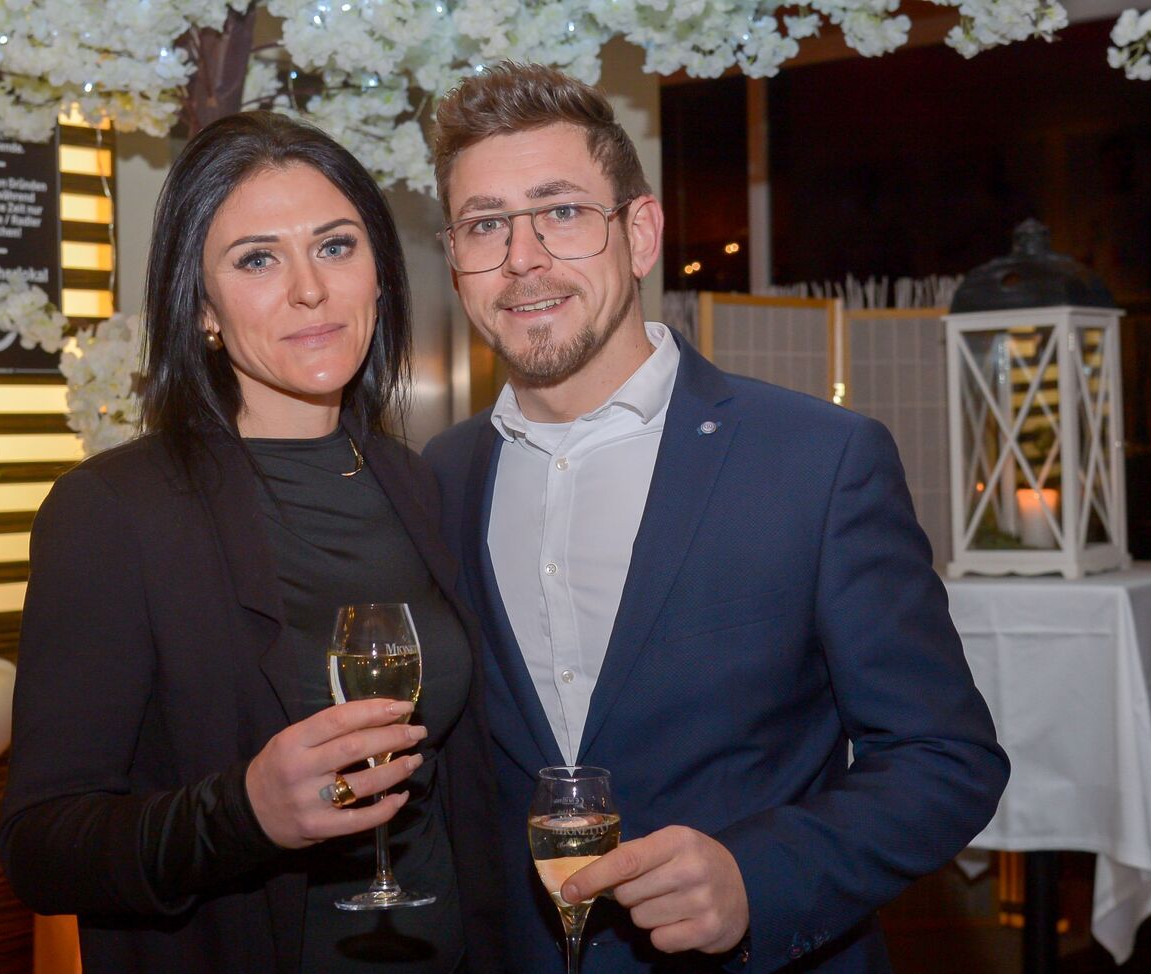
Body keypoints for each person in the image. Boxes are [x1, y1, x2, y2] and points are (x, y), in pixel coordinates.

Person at [421, 63, 1009, 973]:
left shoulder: (817, 461)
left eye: (561, 212)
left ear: (640, 233)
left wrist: (758, 878)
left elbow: (945, 757)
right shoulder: (443, 476)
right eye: (485, 224)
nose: (522, 257)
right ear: (456, 259)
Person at [0, 111, 504, 974]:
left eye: (336, 246)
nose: (310, 289)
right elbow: (41, 847)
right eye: (257, 259)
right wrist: (246, 812)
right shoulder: (115, 511)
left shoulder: (416, 482)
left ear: (379, 276)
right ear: (202, 307)